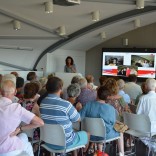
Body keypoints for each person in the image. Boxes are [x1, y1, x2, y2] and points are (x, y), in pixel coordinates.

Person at [40, 77, 89, 155]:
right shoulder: (66, 104)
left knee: (73, 134)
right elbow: (78, 119)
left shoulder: (43, 103)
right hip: (65, 142)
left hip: (48, 141)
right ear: (60, 88)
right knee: (86, 134)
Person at [0, 80, 44, 155]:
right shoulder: (17, 108)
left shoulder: (19, 103)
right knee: (26, 142)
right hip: (8, 149)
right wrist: (20, 129)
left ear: (0, 91)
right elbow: (40, 122)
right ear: (15, 92)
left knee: (23, 136)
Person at [80, 86, 124, 156]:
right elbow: (112, 124)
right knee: (120, 131)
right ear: (107, 97)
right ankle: (121, 153)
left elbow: (79, 117)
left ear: (97, 94)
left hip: (90, 135)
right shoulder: (111, 109)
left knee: (101, 129)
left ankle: (99, 152)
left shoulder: (88, 105)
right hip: (105, 136)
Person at [136, 78, 156, 151]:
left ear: (146, 87)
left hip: (145, 130)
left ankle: (150, 145)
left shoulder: (143, 98)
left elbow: (138, 114)